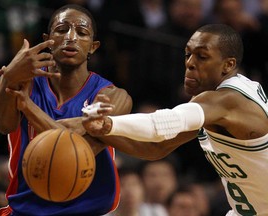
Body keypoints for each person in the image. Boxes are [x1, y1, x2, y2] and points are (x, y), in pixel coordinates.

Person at [82, 24, 268, 215]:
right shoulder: (213, 105)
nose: (190, 63)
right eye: (188, 54)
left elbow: (162, 124)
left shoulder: (228, 100)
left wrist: (110, 124)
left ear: (228, 65)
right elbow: (156, 148)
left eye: (202, 56)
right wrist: (100, 132)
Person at [0, 4, 132, 216]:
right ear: (47, 38)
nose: (71, 37)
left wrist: (28, 106)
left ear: (93, 47)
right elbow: (4, 125)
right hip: (26, 210)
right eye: (61, 29)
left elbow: (71, 151)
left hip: (87, 211)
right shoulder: (20, 81)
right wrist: (8, 80)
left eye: (82, 32)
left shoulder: (112, 96)